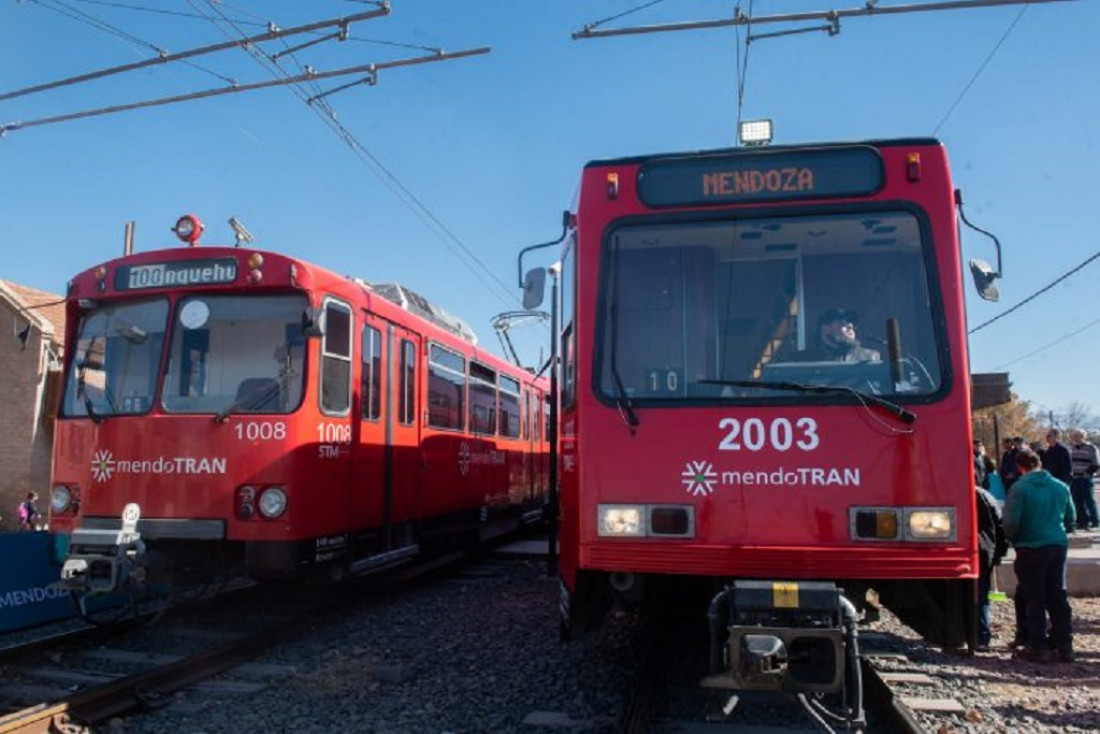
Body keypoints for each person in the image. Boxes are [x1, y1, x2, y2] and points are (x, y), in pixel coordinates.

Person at [1002, 450, 1075, 663]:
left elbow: (1011, 523)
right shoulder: (1061, 487)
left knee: (1034, 597)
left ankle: (1038, 647)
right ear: (1040, 463)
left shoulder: (1019, 488)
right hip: (1057, 545)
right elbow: (1071, 517)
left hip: (1030, 546)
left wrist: (1012, 540)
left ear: (1019, 467)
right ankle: (1065, 645)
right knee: (1058, 595)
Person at [975, 484, 1008, 651]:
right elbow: (1000, 525)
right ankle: (982, 635)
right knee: (982, 595)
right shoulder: (987, 496)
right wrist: (1000, 553)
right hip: (986, 550)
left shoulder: (954, 494)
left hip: (971, 550)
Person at [804, 308, 881, 363]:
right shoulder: (805, 360)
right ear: (825, 328)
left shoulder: (869, 357)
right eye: (843, 323)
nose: (850, 326)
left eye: (852, 323)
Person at [1068, 429, 1100, 530]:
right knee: (1077, 500)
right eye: (1074, 436)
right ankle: (1082, 521)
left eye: (1078, 436)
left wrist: (1087, 473)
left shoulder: (1091, 448)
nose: (1076, 438)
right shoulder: (1071, 448)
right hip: (1074, 478)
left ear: (1083, 437)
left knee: (1089, 499)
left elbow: (1096, 464)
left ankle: (1095, 521)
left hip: (1086, 478)